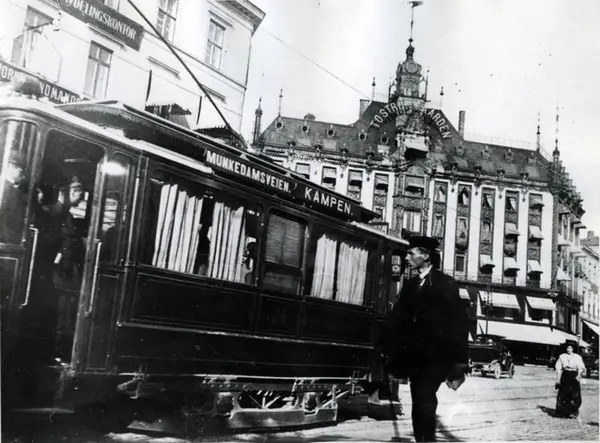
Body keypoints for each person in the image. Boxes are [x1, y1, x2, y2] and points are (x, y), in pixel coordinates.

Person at [377, 235, 469, 442]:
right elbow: (397, 319)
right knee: (419, 401)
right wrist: (384, 346)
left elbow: (458, 323)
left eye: (411, 253)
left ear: (426, 256)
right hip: (414, 357)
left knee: (424, 400)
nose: (406, 257)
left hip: (435, 357)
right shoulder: (410, 285)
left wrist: (459, 362)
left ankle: (425, 439)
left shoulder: (445, 284)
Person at [555, 340, 586, 418]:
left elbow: (581, 367)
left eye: (570, 348)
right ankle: (563, 412)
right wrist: (558, 379)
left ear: (573, 349)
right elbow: (558, 368)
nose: (569, 349)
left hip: (574, 375)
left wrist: (578, 375)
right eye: (567, 348)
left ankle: (574, 411)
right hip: (565, 375)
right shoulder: (562, 356)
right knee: (564, 393)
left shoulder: (578, 357)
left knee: (574, 394)